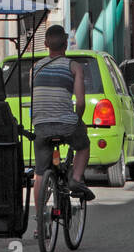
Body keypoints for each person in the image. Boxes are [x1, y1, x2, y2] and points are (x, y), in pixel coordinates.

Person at [31, 24, 94, 204]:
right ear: (66, 44)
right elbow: (80, 102)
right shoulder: (74, 67)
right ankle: (75, 178)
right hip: (66, 125)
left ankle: (40, 223)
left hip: (41, 126)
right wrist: (78, 119)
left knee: (40, 172)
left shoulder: (36, 68)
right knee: (83, 145)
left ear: (45, 44)